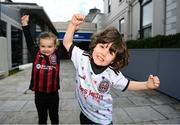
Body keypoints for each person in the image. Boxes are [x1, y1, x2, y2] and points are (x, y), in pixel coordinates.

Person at [63, 14, 160, 125]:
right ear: (95, 45)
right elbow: (67, 43)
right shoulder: (82, 59)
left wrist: (146, 85)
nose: (103, 53)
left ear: (114, 60)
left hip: (102, 120)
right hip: (85, 113)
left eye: (110, 52)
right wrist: (72, 25)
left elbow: (128, 84)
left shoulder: (112, 73)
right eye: (102, 46)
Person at [21, 15, 64, 124]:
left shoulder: (57, 55)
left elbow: (67, 42)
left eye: (49, 46)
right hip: (39, 94)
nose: (46, 49)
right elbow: (29, 40)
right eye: (43, 46)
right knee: (42, 118)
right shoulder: (36, 54)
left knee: (54, 117)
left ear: (55, 47)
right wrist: (25, 25)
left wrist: (73, 29)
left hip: (53, 94)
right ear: (38, 46)